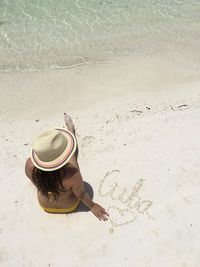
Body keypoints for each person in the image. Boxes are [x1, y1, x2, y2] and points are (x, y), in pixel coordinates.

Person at [25, 113, 109, 221]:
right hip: (69, 206)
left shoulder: (29, 165)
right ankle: (70, 130)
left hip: (45, 205)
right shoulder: (73, 174)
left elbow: (37, 185)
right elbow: (81, 194)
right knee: (73, 158)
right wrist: (92, 206)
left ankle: (70, 130)